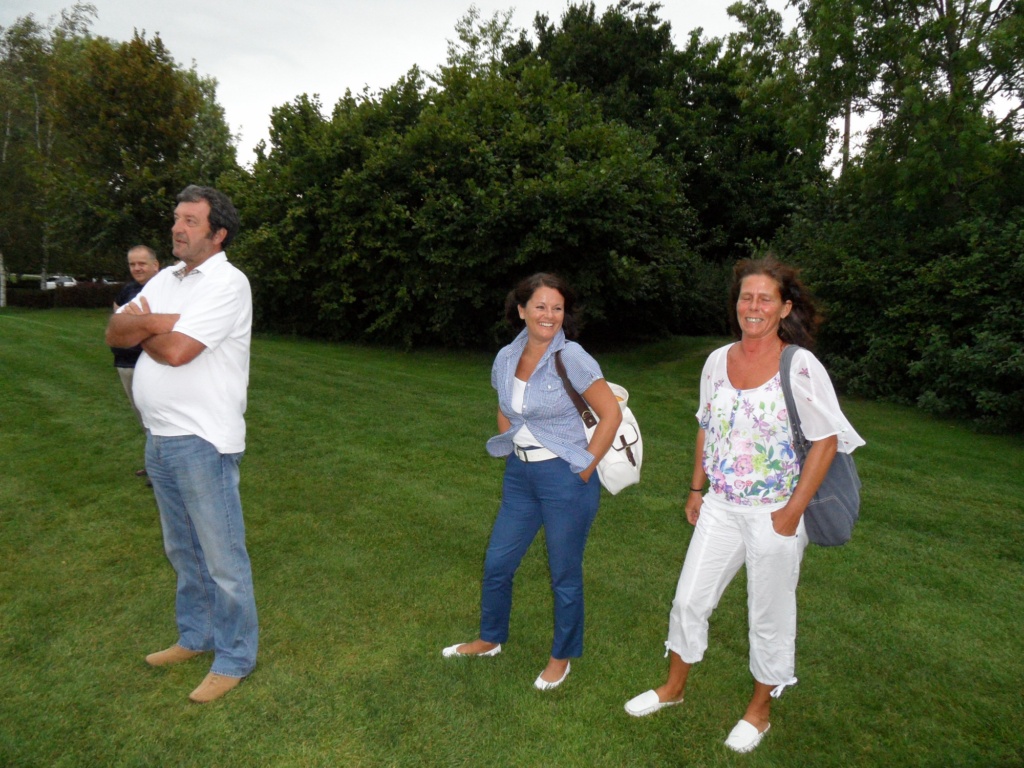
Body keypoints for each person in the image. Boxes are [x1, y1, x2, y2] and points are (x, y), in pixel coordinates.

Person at [623, 256, 864, 752]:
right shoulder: (717, 361)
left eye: (765, 299)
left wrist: (791, 514)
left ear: (784, 308)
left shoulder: (799, 365)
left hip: (775, 512)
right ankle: (673, 688)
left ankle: (759, 713)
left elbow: (826, 441)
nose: (753, 307)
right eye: (746, 297)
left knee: (768, 615)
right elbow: (706, 425)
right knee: (689, 599)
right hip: (720, 506)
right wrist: (696, 489)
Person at [104, 185, 258, 704]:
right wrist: (157, 322)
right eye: (176, 218)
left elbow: (175, 352)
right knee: (183, 551)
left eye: (191, 221)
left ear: (218, 234)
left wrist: (144, 326)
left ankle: (234, 657)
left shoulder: (228, 283)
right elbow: (114, 331)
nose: (177, 227)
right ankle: (196, 636)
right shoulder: (167, 278)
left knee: (222, 558)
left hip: (203, 441)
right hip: (160, 438)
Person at [443, 273, 622, 690]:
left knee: (564, 573)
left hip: (565, 478)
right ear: (522, 310)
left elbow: (610, 414)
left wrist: (584, 467)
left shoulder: (572, 356)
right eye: (540, 306)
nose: (549, 315)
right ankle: (490, 638)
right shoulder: (507, 357)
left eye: (557, 308)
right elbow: (505, 407)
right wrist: (511, 444)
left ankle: (562, 656)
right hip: (520, 477)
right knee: (497, 563)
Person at [110, 245, 161, 479]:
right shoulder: (127, 291)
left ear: (155, 265)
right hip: (125, 362)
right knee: (142, 417)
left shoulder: (164, 290)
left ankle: (160, 470)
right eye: (132, 264)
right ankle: (154, 466)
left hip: (150, 362)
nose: (137, 268)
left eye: (142, 263)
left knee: (157, 416)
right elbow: (116, 322)